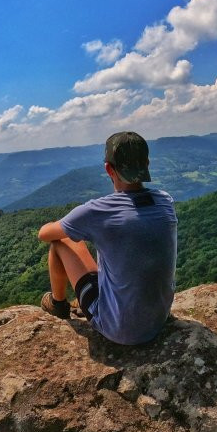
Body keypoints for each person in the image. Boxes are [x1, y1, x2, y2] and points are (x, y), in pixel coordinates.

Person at [37, 131, 177, 345]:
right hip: (157, 320)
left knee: (62, 241)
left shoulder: (97, 211)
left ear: (108, 169)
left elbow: (44, 234)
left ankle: (58, 305)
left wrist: (72, 221)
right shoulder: (165, 202)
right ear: (147, 163)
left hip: (119, 329)